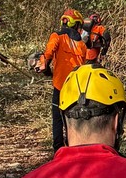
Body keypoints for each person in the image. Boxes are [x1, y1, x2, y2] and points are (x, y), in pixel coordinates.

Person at [35, 9, 87, 151]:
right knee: (75, 118)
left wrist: (44, 65)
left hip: (60, 85)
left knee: (58, 118)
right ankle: (74, 146)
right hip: (77, 86)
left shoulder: (57, 36)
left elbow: (48, 53)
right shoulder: (82, 44)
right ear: (77, 24)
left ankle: (58, 149)